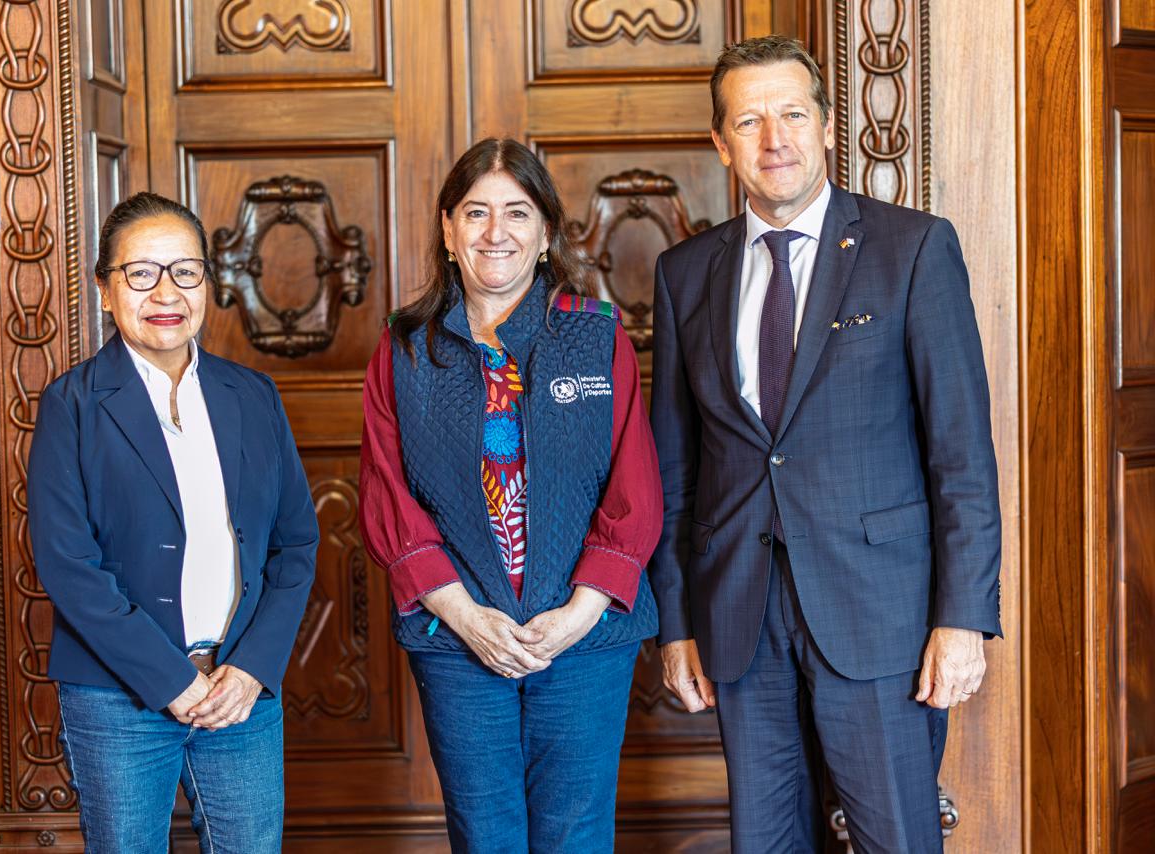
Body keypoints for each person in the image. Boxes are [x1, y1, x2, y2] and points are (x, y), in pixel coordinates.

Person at [649, 36, 1002, 853]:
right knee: (766, 841)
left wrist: (963, 618)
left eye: (793, 114)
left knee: (895, 840)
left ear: (828, 124)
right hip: (738, 618)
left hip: (880, 615)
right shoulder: (683, 273)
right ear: (721, 142)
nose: (775, 139)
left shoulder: (912, 248)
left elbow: (961, 454)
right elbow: (676, 470)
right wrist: (676, 624)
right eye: (750, 121)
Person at [358, 138, 662, 853]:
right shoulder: (404, 350)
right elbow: (387, 494)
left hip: (585, 638)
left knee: (576, 837)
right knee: (484, 836)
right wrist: (465, 617)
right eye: (475, 212)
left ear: (547, 232)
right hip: (457, 639)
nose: (496, 232)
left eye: (518, 213)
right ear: (448, 230)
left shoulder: (596, 338)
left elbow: (635, 487)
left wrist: (578, 613)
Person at [28, 192, 320, 852]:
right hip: (118, 698)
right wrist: (171, 680)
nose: (166, 292)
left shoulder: (253, 395)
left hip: (241, 691)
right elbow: (68, 566)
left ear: (208, 283)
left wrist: (253, 668)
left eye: (185, 271)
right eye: (141, 273)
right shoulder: (72, 404)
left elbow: (296, 544)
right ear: (105, 289)